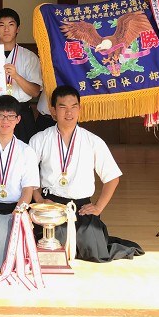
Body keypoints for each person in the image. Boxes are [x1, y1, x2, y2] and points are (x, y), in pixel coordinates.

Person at [29, 85, 144, 263]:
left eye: (74, 106)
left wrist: (98, 207)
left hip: (80, 208)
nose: (69, 112)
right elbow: (27, 175)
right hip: (51, 205)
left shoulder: (93, 141)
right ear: (53, 111)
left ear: (80, 109)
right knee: (52, 243)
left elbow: (112, 177)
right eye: (62, 107)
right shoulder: (39, 139)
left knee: (94, 249)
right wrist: (40, 201)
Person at [0, 8, 42, 143]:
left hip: (20, 113)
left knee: (23, 157)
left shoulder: (29, 57)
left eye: (11, 25)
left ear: (18, 28)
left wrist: (16, 76)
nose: (6, 29)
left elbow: (35, 92)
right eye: (1, 25)